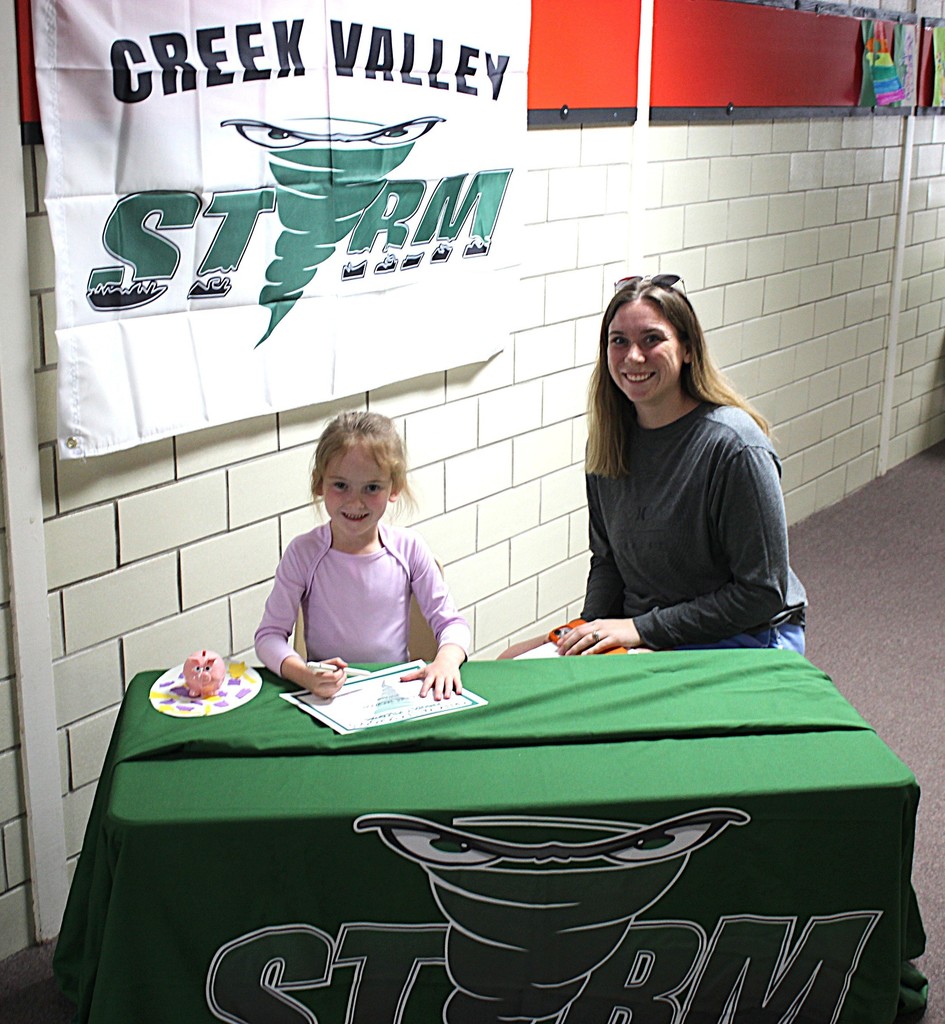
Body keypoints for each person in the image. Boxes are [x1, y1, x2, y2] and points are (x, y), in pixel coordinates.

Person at [503, 273, 807, 659]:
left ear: (688, 349)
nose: (633, 357)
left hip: (743, 635)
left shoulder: (734, 447)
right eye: (619, 341)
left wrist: (640, 629)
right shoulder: (609, 443)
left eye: (652, 339)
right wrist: (588, 628)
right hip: (651, 630)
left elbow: (762, 594)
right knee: (511, 661)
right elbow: (608, 561)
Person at [255, 411, 470, 700]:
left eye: (371, 488)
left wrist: (446, 661)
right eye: (340, 485)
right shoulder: (302, 554)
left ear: (394, 488)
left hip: (393, 696)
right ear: (319, 484)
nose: (355, 502)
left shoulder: (409, 548)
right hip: (328, 698)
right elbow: (268, 637)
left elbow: (452, 625)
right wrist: (304, 673)